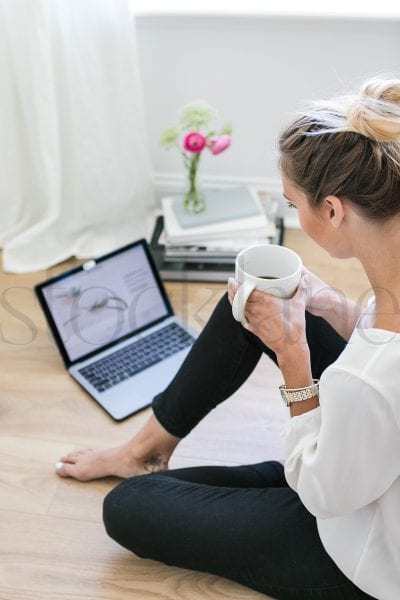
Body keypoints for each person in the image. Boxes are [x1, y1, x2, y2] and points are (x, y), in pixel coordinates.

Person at [55, 77, 400, 600]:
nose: (295, 218)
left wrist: (293, 355)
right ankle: (145, 448)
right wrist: (332, 306)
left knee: (130, 505)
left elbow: (326, 492)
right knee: (248, 308)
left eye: (292, 204)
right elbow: (383, 338)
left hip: (367, 549)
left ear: (332, 210)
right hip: (373, 459)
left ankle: (146, 467)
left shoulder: (368, 380)